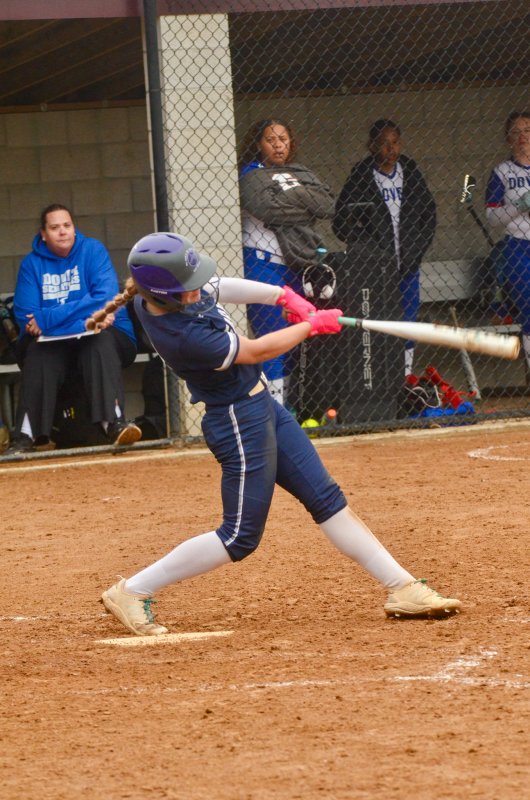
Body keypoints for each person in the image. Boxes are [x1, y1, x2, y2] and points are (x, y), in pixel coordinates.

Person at [95, 231, 462, 637]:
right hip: (237, 420)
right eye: (189, 287)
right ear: (164, 294)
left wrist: (285, 297)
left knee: (326, 498)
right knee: (239, 537)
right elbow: (256, 351)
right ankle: (132, 590)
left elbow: (224, 286)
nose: (200, 289)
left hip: (263, 408)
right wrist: (310, 326)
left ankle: (403, 587)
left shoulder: (174, 294)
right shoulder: (184, 336)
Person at [5, 203, 141, 454]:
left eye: (67, 225)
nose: (62, 232)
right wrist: (84, 318)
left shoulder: (92, 250)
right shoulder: (31, 265)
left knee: (97, 343)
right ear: (43, 234)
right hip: (52, 345)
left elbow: (106, 298)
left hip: (108, 337)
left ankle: (113, 423)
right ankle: (25, 435)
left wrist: (47, 318)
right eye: (55, 227)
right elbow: (28, 319)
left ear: (74, 228)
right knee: (39, 352)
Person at [238, 118, 336, 406]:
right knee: (272, 338)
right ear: (258, 144)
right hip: (262, 263)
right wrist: (305, 207)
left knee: (296, 341)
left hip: (297, 266)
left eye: (283, 138)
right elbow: (266, 208)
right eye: (271, 139)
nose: (278, 145)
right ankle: (275, 410)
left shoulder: (299, 172)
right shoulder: (250, 174)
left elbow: (328, 206)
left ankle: (290, 409)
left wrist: (293, 199)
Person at [333, 119, 437, 376]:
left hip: (407, 264)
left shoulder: (409, 171)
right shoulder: (361, 175)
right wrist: (366, 248)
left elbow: (428, 215)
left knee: (408, 321)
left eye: (395, 143)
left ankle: (404, 378)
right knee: (379, 325)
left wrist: (416, 250)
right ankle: (381, 381)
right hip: (376, 268)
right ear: (371, 146)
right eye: (384, 143)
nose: (390, 149)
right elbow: (341, 221)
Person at [485, 111, 530, 373]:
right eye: (516, 132)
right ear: (508, 139)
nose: (523, 136)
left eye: (527, 130)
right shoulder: (502, 172)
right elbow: (492, 217)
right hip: (517, 245)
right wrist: (518, 206)